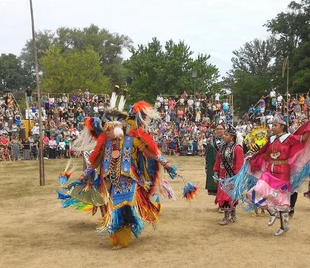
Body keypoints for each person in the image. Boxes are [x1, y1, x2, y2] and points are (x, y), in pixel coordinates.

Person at [57, 88, 190, 249]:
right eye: (106, 128)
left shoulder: (132, 141)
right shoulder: (104, 144)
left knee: (125, 208)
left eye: (110, 128)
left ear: (118, 127)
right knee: (112, 209)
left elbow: (151, 152)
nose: (107, 131)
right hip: (109, 182)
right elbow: (95, 162)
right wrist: (85, 175)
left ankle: (124, 236)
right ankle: (118, 237)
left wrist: (165, 162)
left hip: (128, 180)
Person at [222, 114, 310, 236]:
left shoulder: (289, 138)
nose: (272, 127)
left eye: (275, 125)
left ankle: (284, 226)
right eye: (272, 125)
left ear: (282, 127)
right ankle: (272, 212)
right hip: (269, 172)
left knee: (281, 201)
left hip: (283, 173)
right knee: (253, 192)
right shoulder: (271, 139)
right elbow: (263, 152)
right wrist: (252, 157)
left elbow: (303, 139)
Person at [213, 125, 244, 225]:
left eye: (226, 135)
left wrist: (237, 177)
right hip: (222, 176)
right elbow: (218, 161)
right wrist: (216, 172)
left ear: (232, 137)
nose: (224, 136)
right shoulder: (222, 148)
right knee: (224, 196)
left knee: (231, 196)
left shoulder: (237, 148)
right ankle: (226, 216)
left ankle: (233, 214)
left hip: (232, 176)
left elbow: (239, 164)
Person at [205, 123, 225, 196]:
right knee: (215, 183)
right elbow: (207, 154)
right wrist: (207, 166)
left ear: (224, 130)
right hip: (213, 165)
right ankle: (219, 201)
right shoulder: (211, 140)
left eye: (221, 129)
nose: (219, 130)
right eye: (217, 129)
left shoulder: (227, 139)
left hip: (224, 165)